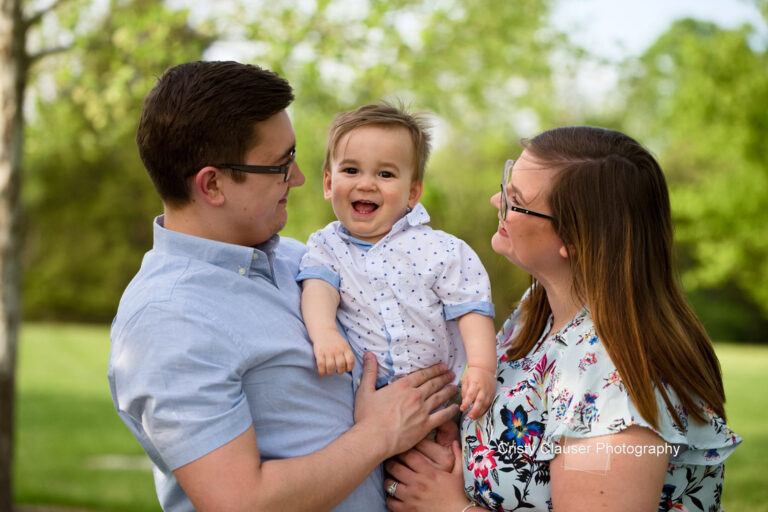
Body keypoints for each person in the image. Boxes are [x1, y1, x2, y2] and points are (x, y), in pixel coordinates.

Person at [107, 61, 460, 512]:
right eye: (280, 165)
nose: (298, 178)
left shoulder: (301, 257)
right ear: (212, 184)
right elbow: (240, 501)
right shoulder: (167, 319)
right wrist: (378, 436)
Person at [382, 126, 742, 511]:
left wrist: (449, 508)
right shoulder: (535, 311)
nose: (495, 200)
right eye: (506, 183)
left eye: (515, 200)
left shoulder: (618, 380)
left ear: (574, 239)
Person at [297, 103, 497, 419]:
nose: (366, 184)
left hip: (441, 397)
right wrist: (324, 333)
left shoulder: (439, 249)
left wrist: (482, 366)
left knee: (445, 456)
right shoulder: (327, 246)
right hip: (368, 404)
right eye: (351, 170)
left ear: (412, 193)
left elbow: (471, 307)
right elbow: (319, 288)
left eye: (385, 174)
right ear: (328, 183)